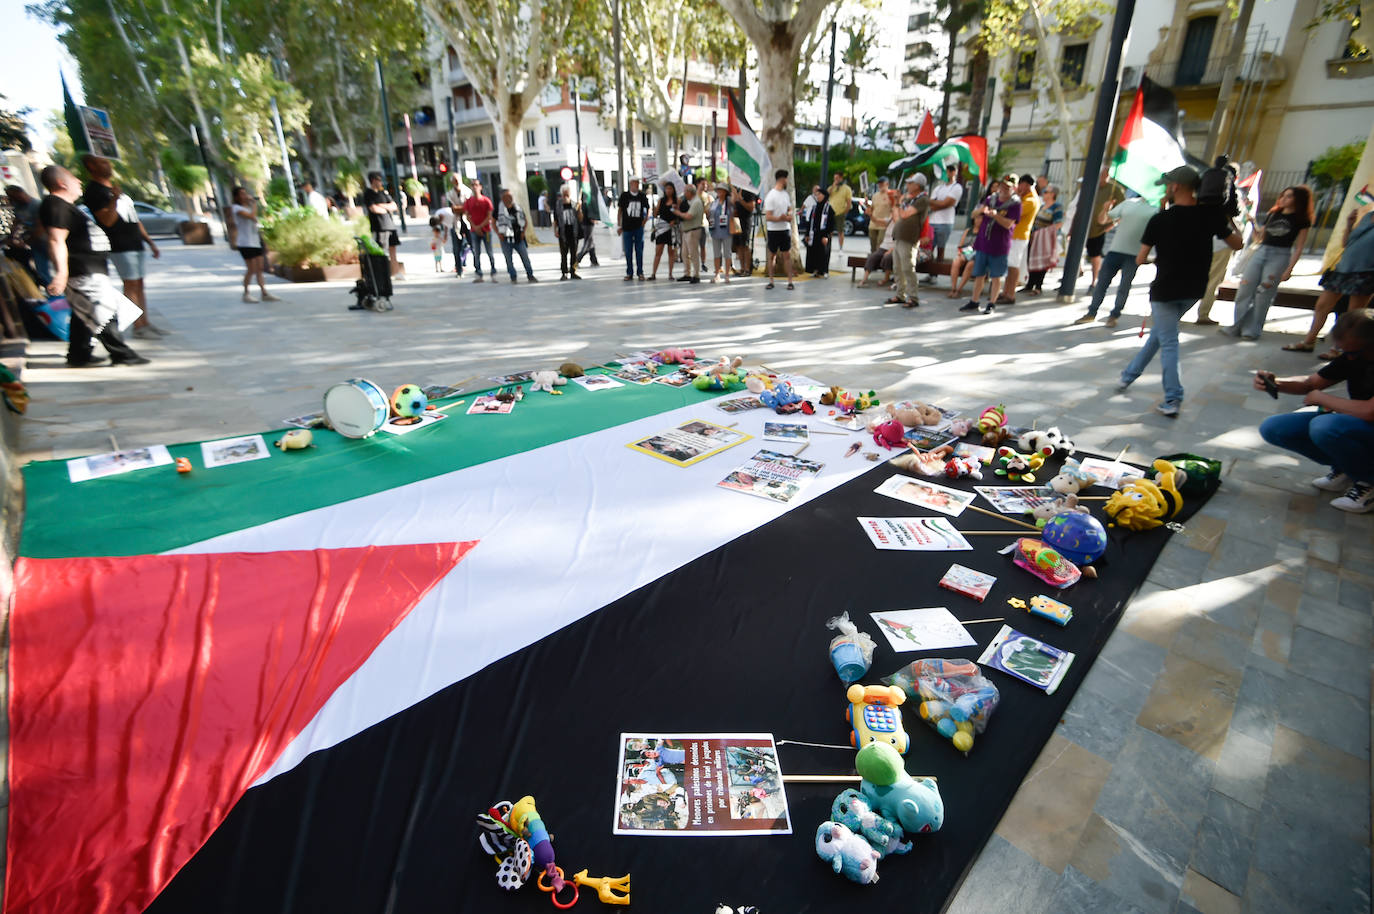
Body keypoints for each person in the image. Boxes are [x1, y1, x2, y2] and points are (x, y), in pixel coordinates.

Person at [1116, 166, 1242, 417]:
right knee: (1161, 335)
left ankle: (1173, 397)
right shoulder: (1210, 215)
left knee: (1168, 341)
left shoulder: (1160, 219)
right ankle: (1128, 375)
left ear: (1176, 186)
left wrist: (1159, 257)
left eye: (1167, 185)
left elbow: (1140, 258)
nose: (1165, 189)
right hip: (1194, 289)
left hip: (1165, 289)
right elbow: (1237, 243)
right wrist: (1226, 214)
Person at [1256, 308, 1374, 513]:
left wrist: (1322, 398)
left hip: (1367, 420)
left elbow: (1370, 412)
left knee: (1325, 427)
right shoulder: (1354, 356)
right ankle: (1348, 469)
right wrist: (1277, 383)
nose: (1348, 357)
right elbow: (1311, 383)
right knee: (1274, 428)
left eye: (1352, 352)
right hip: (1360, 423)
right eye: (1343, 351)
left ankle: (1368, 481)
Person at [36, 165, 148, 367]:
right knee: (104, 312)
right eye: (73, 178)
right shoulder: (56, 205)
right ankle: (122, 354)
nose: (79, 181)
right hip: (82, 271)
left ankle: (78, 354)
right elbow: (55, 239)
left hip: (88, 270)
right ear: (61, 183)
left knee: (83, 313)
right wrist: (61, 273)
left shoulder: (61, 205)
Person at [86, 157, 166, 338]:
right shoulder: (94, 191)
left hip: (135, 242)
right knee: (130, 284)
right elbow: (107, 221)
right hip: (120, 245)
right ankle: (137, 326)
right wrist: (114, 199)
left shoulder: (115, 189)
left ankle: (145, 322)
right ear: (91, 166)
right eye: (103, 163)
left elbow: (134, 219)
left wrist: (150, 242)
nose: (109, 165)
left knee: (139, 283)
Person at [1223, 185, 1313, 341]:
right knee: (1245, 287)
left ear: (1298, 200)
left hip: (1280, 254)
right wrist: (1253, 223)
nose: (1283, 199)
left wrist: (1289, 269)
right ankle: (1236, 325)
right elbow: (1260, 237)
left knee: (1264, 293)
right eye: (1283, 195)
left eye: (1289, 196)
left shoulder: (1301, 220)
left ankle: (1252, 329)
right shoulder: (1273, 213)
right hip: (1262, 251)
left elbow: (1299, 247)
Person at [1285, 206, 1374, 357]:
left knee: (1353, 313)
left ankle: (1340, 348)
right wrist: (1349, 225)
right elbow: (1346, 243)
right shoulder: (1368, 217)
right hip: (1343, 268)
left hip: (1366, 272)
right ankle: (1309, 341)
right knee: (1322, 305)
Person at [1073, 193, 1157, 327]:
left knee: (1124, 286)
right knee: (1102, 283)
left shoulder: (1156, 208)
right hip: (1115, 251)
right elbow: (1102, 221)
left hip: (1134, 254)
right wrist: (1105, 209)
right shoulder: (1128, 203)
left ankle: (1114, 315)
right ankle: (1092, 312)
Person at [959, 176, 1020, 315]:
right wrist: (982, 210)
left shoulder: (1015, 204)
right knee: (979, 274)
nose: (1004, 189)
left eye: (1008, 187)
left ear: (1014, 188)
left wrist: (996, 215)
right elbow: (973, 214)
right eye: (1003, 185)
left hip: (999, 245)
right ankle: (974, 301)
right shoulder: (990, 199)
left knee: (996, 276)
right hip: (983, 242)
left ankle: (991, 303)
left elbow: (1009, 224)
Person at [230, 186, 279, 303]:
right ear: (236, 197)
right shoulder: (236, 208)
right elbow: (251, 216)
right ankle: (246, 293)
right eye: (242, 194)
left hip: (255, 241)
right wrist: (255, 204)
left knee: (260, 268)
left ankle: (264, 293)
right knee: (251, 269)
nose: (245, 196)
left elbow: (255, 220)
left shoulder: (249, 207)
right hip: (245, 243)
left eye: (245, 193)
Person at [888, 174, 928, 308]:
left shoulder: (922, 199)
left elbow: (904, 214)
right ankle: (900, 294)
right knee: (897, 268)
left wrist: (899, 201)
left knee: (907, 268)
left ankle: (913, 297)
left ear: (917, 185)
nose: (908, 185)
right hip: (899, 236)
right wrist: (897, 202)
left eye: (910, 183)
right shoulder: (911, 199)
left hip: (909, 238)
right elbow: (898, 215)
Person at [999, 174, 1040, 304]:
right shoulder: (1024, 198)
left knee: (1013, 265)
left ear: (1026, 185)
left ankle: (1010, 294)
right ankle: (1005, 292)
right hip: (1014, 235)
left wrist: (1015, 196)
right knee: (1009, 265)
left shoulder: (1031, 200)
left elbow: (1013, 211)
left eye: (1020, 184)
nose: (1018, 187)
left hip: (1019, 236)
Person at [1085, 169, 1125, 287]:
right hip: (1086, 225)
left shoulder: (1115, 190)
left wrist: (1112, 224)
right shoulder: (1092, 187)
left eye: (1104, 174)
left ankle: (1094, 281)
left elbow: (1123, 211)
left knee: (1095, 255)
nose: (1101, 177)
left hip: (1099, 229)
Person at [7, 185, 50, 286]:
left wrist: (25, 243)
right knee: (42, 270)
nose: (13, 200)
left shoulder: (36, 205)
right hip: (35, 243)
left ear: (21, 193)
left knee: (51, 266)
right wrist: (11, 235)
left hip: (45, 240)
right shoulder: (18, 206)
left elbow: (40, 229)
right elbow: (17, 221)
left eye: (14, 197)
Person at [1023, 184, 1061, 294]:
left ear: (1052, 194)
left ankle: (1038, 286)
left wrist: (1044, 233)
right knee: (1032, 258)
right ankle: (1030, 284)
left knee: (1043, 261)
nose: (1044, 193)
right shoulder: (1042, 206)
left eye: (1046, 192)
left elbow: (1058, 223)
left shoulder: (1056, 207)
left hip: (1045, 239)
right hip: (1034, 237)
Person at [495, 189, 538, 283]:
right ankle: (513, 276)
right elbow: (493, 221)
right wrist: (498, 233)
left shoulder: (517, 208)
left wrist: (523, 232)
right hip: (505, 238)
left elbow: (525, 220)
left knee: (525, 258)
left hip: (518, 237)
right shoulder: (498, 209)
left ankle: (530, 275)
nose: (509, 198)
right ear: (502, 198)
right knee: (508, 260)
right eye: (507, 196)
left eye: (510, 196)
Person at [927, 166, 964, 274]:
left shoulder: (957, 187)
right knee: (929, 248)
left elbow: (947, 203)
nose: (948, 174)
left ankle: (935, 273)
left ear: (954, 172)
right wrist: (940, 204)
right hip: (932, 221)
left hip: (945, 222)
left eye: (950, 171)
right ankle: (930, 271)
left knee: (941, 248)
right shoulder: (938, 188)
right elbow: (931, 202)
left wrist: (938, 203)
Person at [762, 169, 795, 290]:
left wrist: (789, 215)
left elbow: (789, 209)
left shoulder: (786, 194)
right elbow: (768, 216)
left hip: (785, 229)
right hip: (773, 230)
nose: (787, 181)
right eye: (786, 179)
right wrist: (779, 218)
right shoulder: (771, 196)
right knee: (772, 256)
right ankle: (771, 281)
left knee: (787, 255)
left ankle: (790, 281)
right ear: (782, 179)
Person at [362, 172, 400, 266]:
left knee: (393, 250)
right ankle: (384, 271)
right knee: (381, 251)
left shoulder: (383, 193)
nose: (381, 182)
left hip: (390, 225)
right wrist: (386, 208)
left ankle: (395, 271)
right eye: (379, 180)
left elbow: (394, 206)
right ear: (373, 180)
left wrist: (381, 205)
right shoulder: (368, 194)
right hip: (379, 227)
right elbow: (374, 209)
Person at [464, 179, 498, 281]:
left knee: (489, 251)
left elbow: (489, 216)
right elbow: (467, 215)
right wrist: (474, 227)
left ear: (480, 187)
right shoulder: (468, 201)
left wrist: (480, 227)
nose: (474, 187)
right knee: (476, 252)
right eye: (472, 185)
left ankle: (493, 271)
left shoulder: (486, 200)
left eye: (476, 185)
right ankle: (478, 273)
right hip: (474, 231)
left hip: (486, 230)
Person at [617, 177, 649, 281]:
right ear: (630, 184)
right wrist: (619, 225)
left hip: (638, 227)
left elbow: (647, 208)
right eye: (635, 184)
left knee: (639, 250)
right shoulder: (624, 196)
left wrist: (645, 221)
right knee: (628, 251)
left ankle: (640, 272)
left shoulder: (642, 196)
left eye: (637, 184)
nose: (636, 186)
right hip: (627, 227)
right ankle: (629, 272)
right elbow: (620, 210)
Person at [649, 183, 679, 281]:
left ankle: (670, 274)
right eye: (667, 189)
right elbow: (655, 214)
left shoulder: (677, 201)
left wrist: (674, 220)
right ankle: (653, 273)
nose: (668, 190)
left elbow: (679, 214)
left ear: (673, 190)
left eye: (670, 188)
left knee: (671, 252)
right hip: (661, 228)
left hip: (671, 229)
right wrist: (654, 209)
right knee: (658, 251)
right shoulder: (661, 201)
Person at [675, 184, 704, 284]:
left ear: (690, 192)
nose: (684, 194)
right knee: (684, 253)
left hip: (693, 230)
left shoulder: (696, 202)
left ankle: (696, 274)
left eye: (685, 192)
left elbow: (689, 216)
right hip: (686, 230)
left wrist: (677, 212)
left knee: (693, 253)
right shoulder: (689, 201)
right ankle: (687, 273)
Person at [803, 186, 835, 277]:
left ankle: (824, 271)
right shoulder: (814, 207)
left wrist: (826, 235)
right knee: (814, 253)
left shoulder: (828, 209)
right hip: (814, 234)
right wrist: (807, 234)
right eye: (816, 195)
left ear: (824, 196)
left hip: (824, 234)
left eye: (819, 194)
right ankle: (815, 270)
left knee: (824, 253)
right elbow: (810, 221)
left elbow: (831, 223)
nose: (817, 196)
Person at [553, 185, 582, 280]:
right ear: (561, 194)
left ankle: (573, 272)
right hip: (563, 232)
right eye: (564, 194)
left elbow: (580, 218)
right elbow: (555, 219)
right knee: (563, 254)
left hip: (573, 232)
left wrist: (580, 208)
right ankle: (564, 273)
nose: (565, 196)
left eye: (567, 194)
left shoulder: (574, 204)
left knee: (574, 254)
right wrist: (555, 230)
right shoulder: (558, 205)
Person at [857, 218, 896, 288]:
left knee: (887, 257)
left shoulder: (902, 223)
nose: (892, 213)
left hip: (895, 249)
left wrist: (891, 250)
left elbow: (900, 241)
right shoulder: (890, 220)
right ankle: (864, 280)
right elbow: (877, 221)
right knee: (872, 257)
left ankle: (886, 278)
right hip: (884, 246)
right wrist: (871, 215)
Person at [444, 175, 470, 275]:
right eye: (454, 180)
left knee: (473, 245)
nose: (457, 182)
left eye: (458, 180)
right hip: (455, 222)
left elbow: (468, 207)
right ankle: (459, 270)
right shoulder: (449, 194)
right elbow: (452, 209)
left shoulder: (467, 191)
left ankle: (478, 269)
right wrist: (462, 208)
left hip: (468, 222)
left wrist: (460, 209)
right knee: (456, 248)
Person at [707, 186, 733, 284]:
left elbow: (733, 213)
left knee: (727, 253)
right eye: (718, 190)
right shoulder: (714, 203)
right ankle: (717, 274)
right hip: (715, 230)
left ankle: (727, 275)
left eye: (721, 190)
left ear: (725, 192)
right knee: (716, 253)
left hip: (727, 231)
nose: (719, 192)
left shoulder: (729, 202)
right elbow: (709, 214)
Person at [945, 228, 976, 299]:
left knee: (970, 264)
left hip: (975, 255)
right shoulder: (968, 231)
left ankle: (959, 289)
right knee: (956, 262)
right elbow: (960, 245)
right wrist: (961, 253)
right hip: (965, 253)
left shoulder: (983, 231)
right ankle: (953, 288)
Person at [732, 188, 756, 277]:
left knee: (745, 245)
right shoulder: (737, 190)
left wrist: (741, 200)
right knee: (739, 245)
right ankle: (742, 268)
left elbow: (751, 207)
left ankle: (747, 269)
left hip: (745, 220)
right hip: (737, 220)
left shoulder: (748, 192)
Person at [865, 176, 893, 253]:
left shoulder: (891, 195)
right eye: (879, 184)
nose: (880, 186)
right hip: (873, 223)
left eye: (882, 184)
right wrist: (867, 205)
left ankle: (878, 258)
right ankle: (873, 258)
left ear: (887, 184)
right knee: (873, 245)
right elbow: (872, 208)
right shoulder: (875, 195)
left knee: (880, 244)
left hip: (883, 224)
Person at [828, 173, 853, 250]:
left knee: (840, 231)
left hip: (840, 213)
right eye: (835, 178)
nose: (836, 180)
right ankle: (828, 247)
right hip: (831, 212)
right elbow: (827, 195)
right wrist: (833, 186)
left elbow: (849, 202)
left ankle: (841, 248)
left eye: (837, 178)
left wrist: (845, 212)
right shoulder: (831, 188)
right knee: (829, 231)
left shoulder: (847, 189)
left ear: (841, 178)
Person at [576, 190, 600, 268]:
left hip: (584, 224)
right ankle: (576, 259)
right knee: (587, 244)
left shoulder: (582, 203)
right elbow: (590, 215)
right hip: (588, 225)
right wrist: (593, 220)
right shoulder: (588, 203)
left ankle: (594, 260)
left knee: (591, 243)